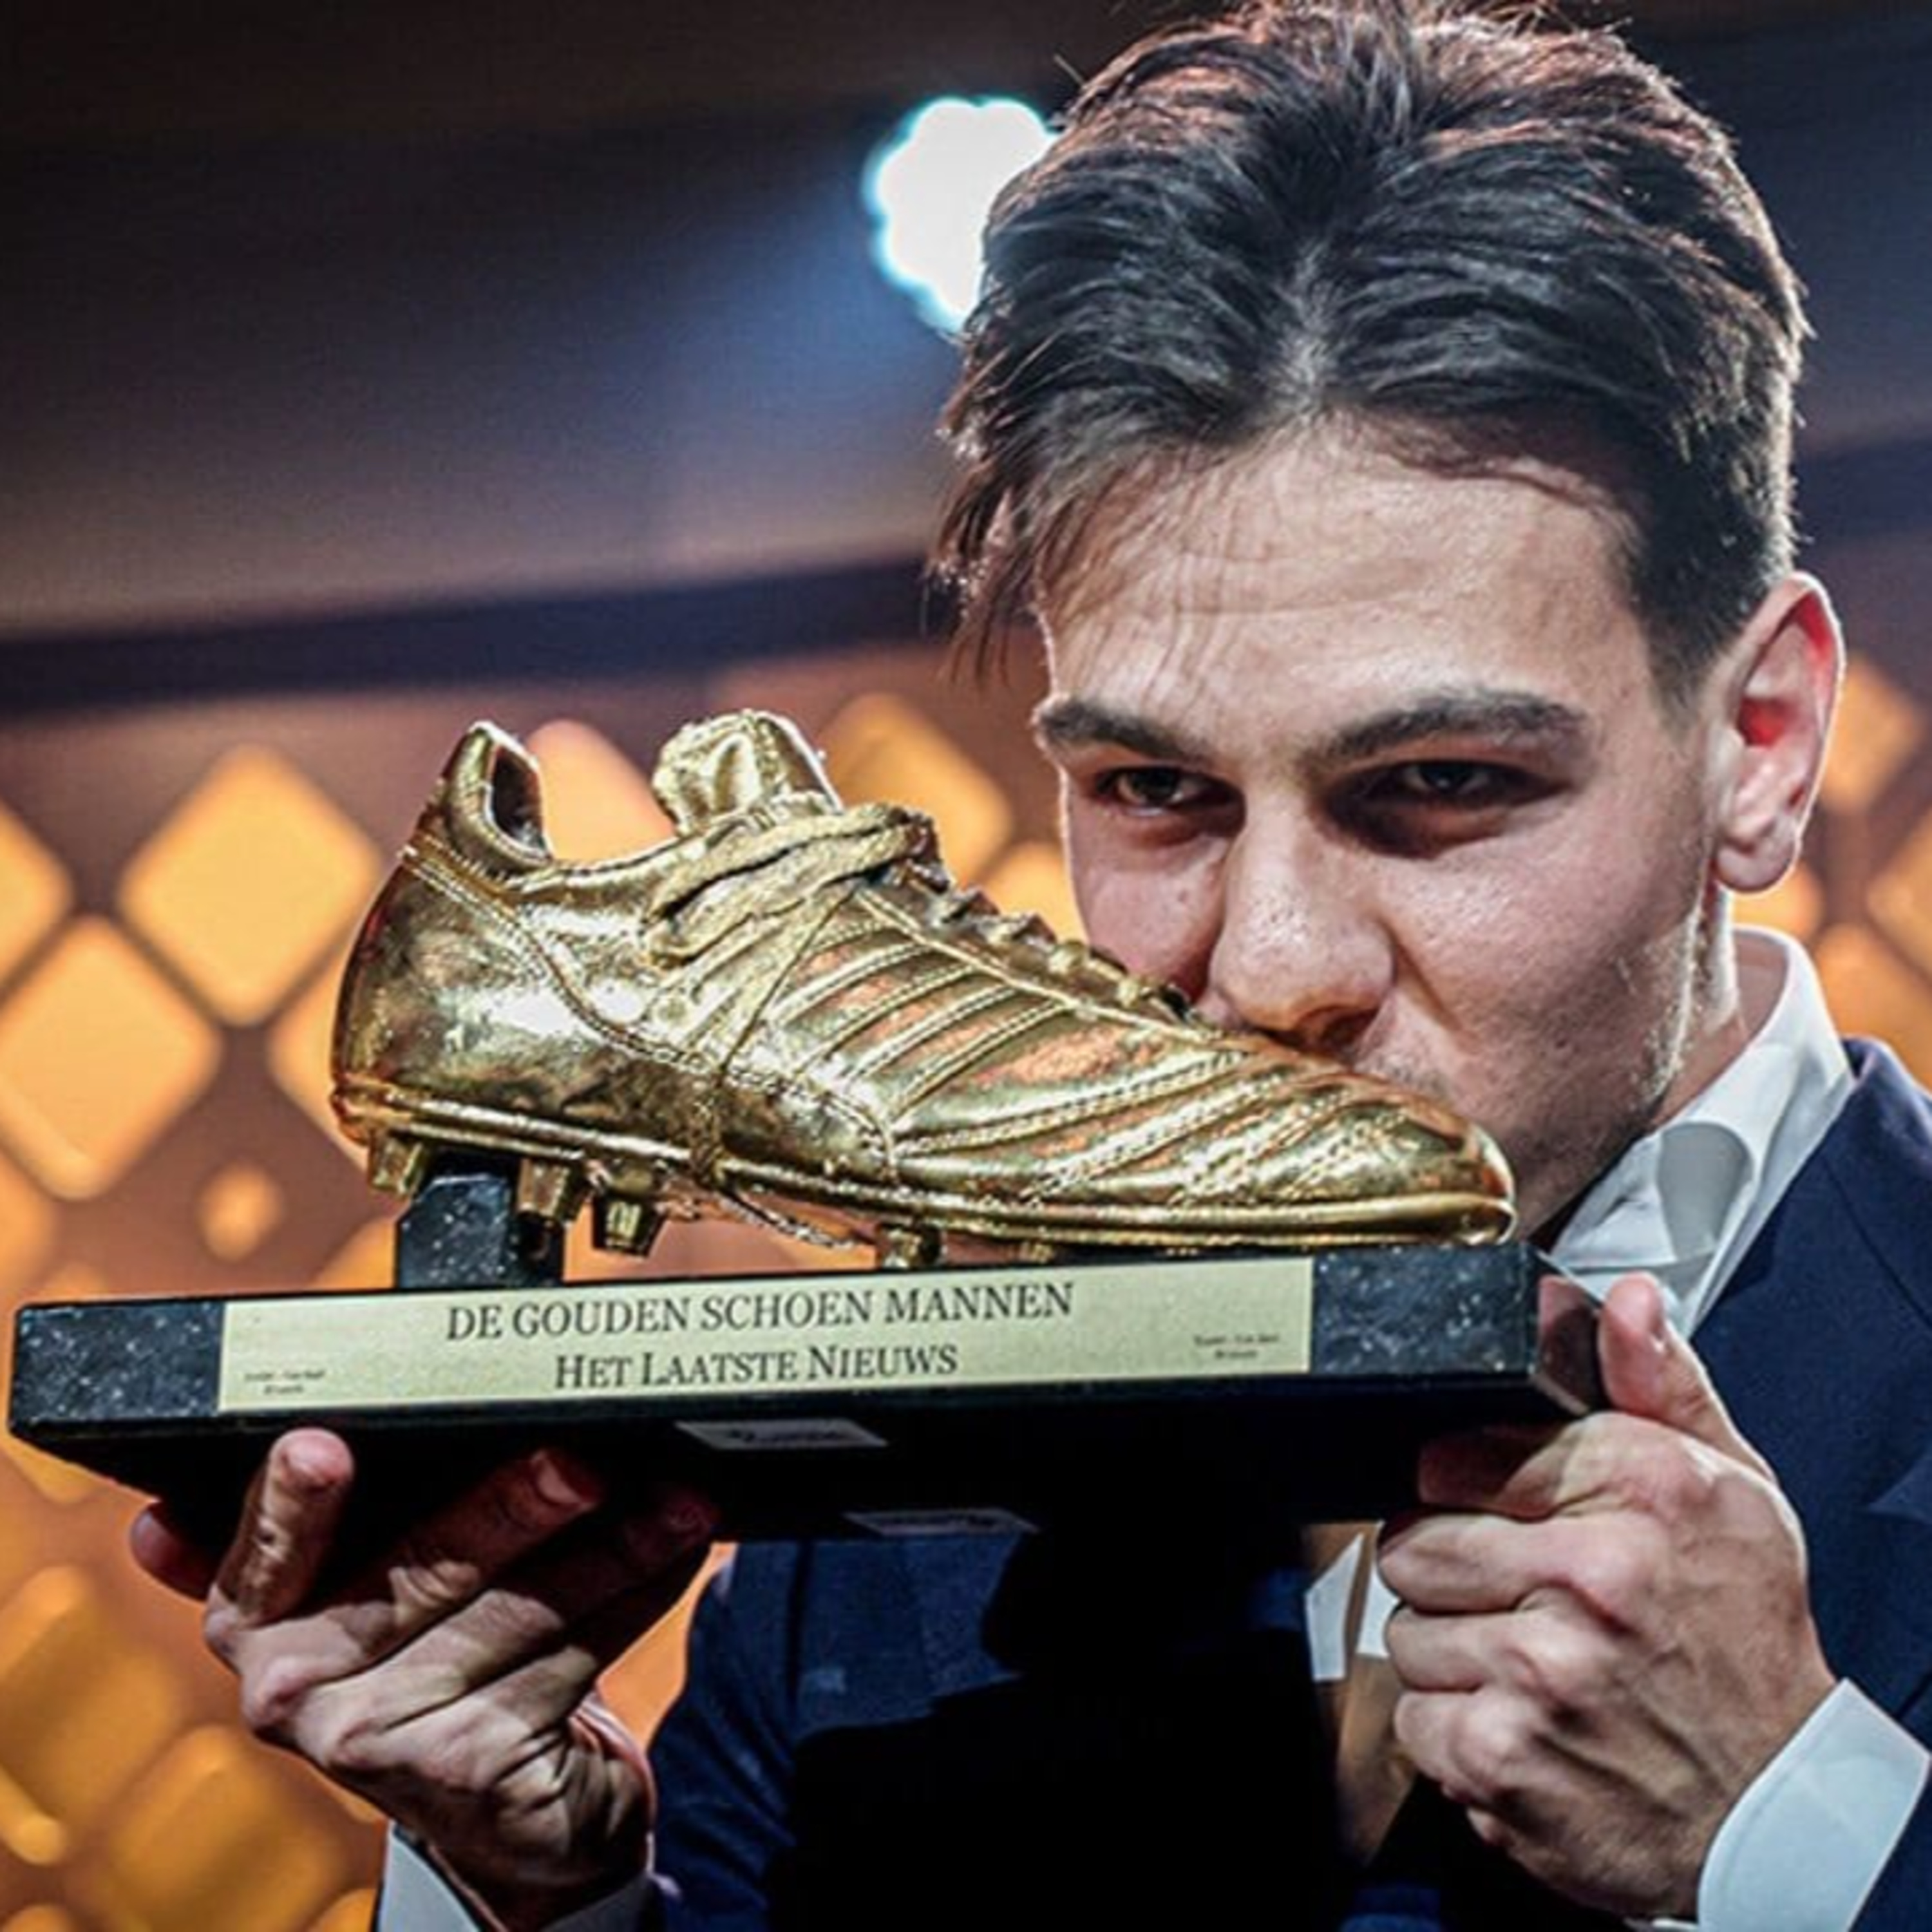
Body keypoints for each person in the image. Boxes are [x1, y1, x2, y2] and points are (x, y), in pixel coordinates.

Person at [130, 1, 1932, 1926]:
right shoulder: (904, 1473)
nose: (1274, 969)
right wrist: (536, 1891)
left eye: (1437, 784)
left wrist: (1800, 1840)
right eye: (1157, 792)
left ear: (1762, 747)